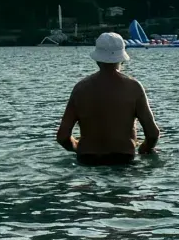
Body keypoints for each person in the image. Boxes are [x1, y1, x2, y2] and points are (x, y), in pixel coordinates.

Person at [57, 32, 159, 165]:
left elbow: (62, 137)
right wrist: (144, 148)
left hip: (88, 160)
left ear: (97, 58)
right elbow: (152, 134)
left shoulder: (80, 89)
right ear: (121, 58)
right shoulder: (134, 88)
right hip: (123, 161)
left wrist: (77, 146)